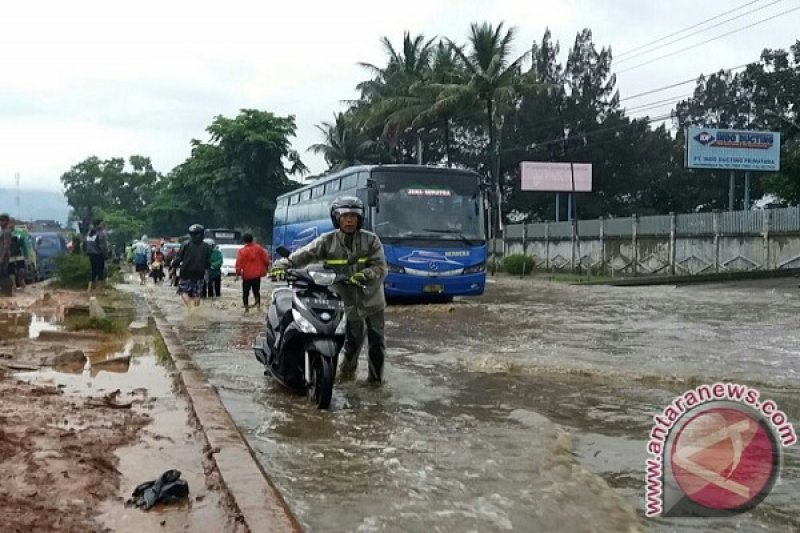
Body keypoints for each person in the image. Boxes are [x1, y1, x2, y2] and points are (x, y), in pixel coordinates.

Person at [273, 196, 387, 383]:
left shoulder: (371, 241)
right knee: (352, 341)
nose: (349, 220)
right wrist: (285, 263)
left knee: (377, 342)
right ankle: (346, 375)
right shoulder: (327, 241)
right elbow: (306, 254)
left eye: (353, 216)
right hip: (344, 300)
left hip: (371, 299)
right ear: (336, 218)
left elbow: (380, 267)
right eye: (344, 216)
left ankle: (376, 382)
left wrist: (365, 275)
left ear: (360, 219)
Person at [173, 224, 212, 308]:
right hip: (200, 273)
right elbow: (208, 262)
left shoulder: (185, 244)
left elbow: (179, 257)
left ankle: (190, 308)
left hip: (186, 273)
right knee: (197, 294)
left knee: (183, 291)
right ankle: (195, 310)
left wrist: (174, 265)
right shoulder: (206, 246)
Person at [235, 233, 269, 311]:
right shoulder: (259, 249)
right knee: (256, 291)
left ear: (244, 241)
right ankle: (258, 308)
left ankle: (246, 309)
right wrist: (267, 267)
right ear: (252, 239)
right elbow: (266, 260)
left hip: (246, 275)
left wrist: (237, 273)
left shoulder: (242, 251)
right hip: (257, 275)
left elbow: (238, 263)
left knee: (245, 293)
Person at [84, 218, 108, 292]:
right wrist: (105, 254)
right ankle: (99, 290)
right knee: (100, 272)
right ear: (98, 225)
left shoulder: (89, 233)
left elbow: (85, 244)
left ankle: (89, 289)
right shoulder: (100, 233)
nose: (103, 225)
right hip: (98, 255)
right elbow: (102, 246)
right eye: (101, 223)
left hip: (91, 255)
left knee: (93, 271)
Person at [8, 220, 27, 290]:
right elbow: (24, 244)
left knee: (12, 271)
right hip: (16, 255)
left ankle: (15, 284)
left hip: (14, 255)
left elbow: (24, 244)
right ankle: (18, 283)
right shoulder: (20, 232)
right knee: (16, 269)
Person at [0, 214, 12, 284]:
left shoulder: (7, 231)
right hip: (1, 254)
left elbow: (6, 246)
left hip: (4, 255)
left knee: (3, 272)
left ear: (6, 222)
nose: (0, 222)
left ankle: (6, 291)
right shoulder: (2, 231)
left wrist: (2, 257)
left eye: (2, 221)